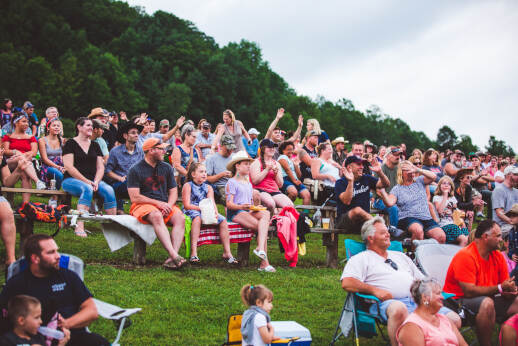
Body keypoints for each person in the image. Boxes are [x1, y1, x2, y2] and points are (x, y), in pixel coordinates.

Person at [341, 217, 460, 346]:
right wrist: (375, 291)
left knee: (454, 319)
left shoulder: (400, 256)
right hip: (387, 303)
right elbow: (347, 282)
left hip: (417, 301)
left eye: (387, 231)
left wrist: (430, 294)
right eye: (383, 233)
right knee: (399, 309)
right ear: (370, 238)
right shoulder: (361, 258)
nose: (388, 234)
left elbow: (422, 280)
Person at [0, 234, 109, 345]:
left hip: (73, 335)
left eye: (56, 251)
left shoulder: (68, 276)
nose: (58, 256)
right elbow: (5, 321)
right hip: (36, 340)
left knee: (99, 342)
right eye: (51, 252)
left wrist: (66, 324)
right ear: (35, 258)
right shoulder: (17, 284)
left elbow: (91, 311)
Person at [443, 220, 518, 346]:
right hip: (458, 301)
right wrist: (500, 288)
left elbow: (504, 287)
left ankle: (508, 337)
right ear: (485, 237)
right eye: (498, 236)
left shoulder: (497, 256)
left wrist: (510, 291)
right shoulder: (466, 256)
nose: (501, 239)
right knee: (487, 303)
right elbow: (469, 291)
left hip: (487, 299)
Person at [127, 138, 187, 270]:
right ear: (150, 150)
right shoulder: (135, 169)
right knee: (156, 215)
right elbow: (134, 197)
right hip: (142, 205)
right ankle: (174, 255)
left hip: (164, 204)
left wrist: (169, 205)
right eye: (161, 149)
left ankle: (173, 257)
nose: (164, 152)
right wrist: (159, 204)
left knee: (180, 218)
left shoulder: (166, 167)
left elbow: (173, 192)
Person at [62, 117, 117, 237]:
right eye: (88, 125)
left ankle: (112, 227)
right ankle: (79, 226)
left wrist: (96, 181)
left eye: (92, 126)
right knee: (87, 188)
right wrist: (87, 181)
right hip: (71, 180)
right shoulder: (70, 143)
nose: (91, 128)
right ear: (79, 127)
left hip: (93, 180)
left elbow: (100, 167)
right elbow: (69, 167)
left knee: (109, 190)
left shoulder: (95, 145)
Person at [225, 151, 274, 272]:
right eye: (246, 164)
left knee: (266, 213)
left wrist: (254, 207)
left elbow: (249, 202)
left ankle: (260, 249)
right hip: (236, 213)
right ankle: (264, 263)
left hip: (247, 210)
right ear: (237, 166)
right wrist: (242, 207)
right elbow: (229, 204)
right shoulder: (231, 182)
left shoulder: (248, 182)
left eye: (249, 164)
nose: (248, 166)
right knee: (261, 227)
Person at [182, 162, 237, 264]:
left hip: (206, 210)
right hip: (192, 209)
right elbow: (186, 205)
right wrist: (201, 209)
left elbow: (211, 202)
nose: (204, 174)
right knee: (197, 218)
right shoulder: (188, 185)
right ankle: (194, 252)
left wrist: (215, 212)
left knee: (223, 220)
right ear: (193, 174)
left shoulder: (208, 187)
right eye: (201, 171)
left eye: (205, 172)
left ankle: (227, 252)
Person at [380, 161, 446, 243]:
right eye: (407, 170)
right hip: (408, 217)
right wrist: (382, 191)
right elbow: (389, 203)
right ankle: (415, 255)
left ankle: (431, 255)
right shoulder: (397, 189)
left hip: (425, 217)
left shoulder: (420, 181)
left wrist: (417, 169)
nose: (411, 171)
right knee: (418, 231)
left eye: (411, 169)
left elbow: (434, 177)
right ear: (401, 173)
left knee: (441, 236)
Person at [397, 279, 467, 346]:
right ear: (425, 297)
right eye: (438, 293)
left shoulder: (445, 320)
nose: (442, 297)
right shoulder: (411, 326)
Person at [335, 156, 390, 233]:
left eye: (362, 165)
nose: (362, 167)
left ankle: (381, 229)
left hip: (363, 222)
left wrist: (380, 172)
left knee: (375, 233)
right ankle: (382, 226)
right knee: (357, 210)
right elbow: (346, 201)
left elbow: (386, 184)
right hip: (345, 221)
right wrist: (351, 182)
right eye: (358, 164)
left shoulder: (366, 178)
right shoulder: (340, 182)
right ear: (349, 167)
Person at [2, 111, 46, 202]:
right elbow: (5, 151)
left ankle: (25, 204)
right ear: (16, 123)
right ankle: (37, 181)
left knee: (24, 172)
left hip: (25, 162)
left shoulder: (31, 137)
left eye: (27, 122)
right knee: (20, 159)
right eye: (24, 121)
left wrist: (22, 155)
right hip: (10, 162)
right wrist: (16, 152)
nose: (27, 124)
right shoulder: (8, 137)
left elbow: (34, 152)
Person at [105, 122, 144, 215]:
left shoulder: (140, 151)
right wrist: (120, 178)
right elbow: (108, 171)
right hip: (120, 183)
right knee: (125, 183)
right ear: (125, 136)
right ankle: (120, 210)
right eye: (133, 133)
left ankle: (142, 211)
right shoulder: (115, 151)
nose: (136, 135)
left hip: (137, 183)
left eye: (137, 133)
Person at [0, 294, 70, 346]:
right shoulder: (7, 341)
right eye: (37, 317)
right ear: (21, 321)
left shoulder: (39, 338)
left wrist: (61, 344)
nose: (41, 321)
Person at [250, 139, 293, 213]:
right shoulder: (256, 162)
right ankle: (268, 221)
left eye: (273, 147)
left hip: (274, 191)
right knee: (270, 204)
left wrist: (276, 174)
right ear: (263, 149)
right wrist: (266, 170)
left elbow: (280, 185)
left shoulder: (276, 163)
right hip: (260, 190)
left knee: (290, 205)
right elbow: (255, 181)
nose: (272, 149)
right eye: (270, 147)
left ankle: (278, 221)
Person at [433, 176, 469, 246]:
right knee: (464, 239)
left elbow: (455, 212)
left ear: (451, 187)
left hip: (455, 224)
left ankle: (458, 254)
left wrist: (462, 222)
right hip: (445, 225)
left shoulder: (452, 198)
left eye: (449, 184)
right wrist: (445, 195)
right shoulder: (436, 198)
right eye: (444, 183)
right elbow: (440, 211)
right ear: (439, 186)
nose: (446, 185)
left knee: (467, 238)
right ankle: (459, 256)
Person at [38, 118, 65, 208]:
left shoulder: (62, 140)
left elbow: (63, 156)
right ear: (48, 128)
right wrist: (58, 167)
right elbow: (44, 159)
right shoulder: (42, 140)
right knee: (59, 175)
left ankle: (65, 201)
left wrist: (64, 166)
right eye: (54, 125)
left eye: (58, 126)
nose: (57, 127)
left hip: (60, 164)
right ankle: (54, 197)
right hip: (47, 166)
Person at [373, 147, 401, 227]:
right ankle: (394, 231)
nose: (398, 157)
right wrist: (390, 200)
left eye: (399, 154)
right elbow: (377, 190)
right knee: (393, 208)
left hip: (394, 199)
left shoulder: (398, 169)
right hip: (380, 200)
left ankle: (405, 232)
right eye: (395, 154)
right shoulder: (381, 169)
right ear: (388, 156)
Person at [205, 135, 236, 206]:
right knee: (230, 200)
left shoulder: (235, 157)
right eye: (228, 149)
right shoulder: (212, 159)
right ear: (221, 146)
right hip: (220, 186)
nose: (230, 151)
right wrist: (221, 175)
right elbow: (208, 179)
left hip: (235, 184)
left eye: (232, 148)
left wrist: (233, 175)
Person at [492, 166, 518, 235]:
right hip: (502, 226)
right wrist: (512, 222)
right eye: (516, 175)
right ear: (508, 175)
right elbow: (499, 213)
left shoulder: (516, 191)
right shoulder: (499, 190)